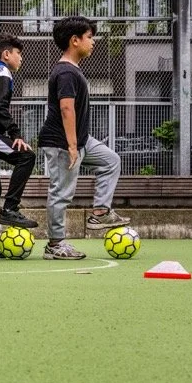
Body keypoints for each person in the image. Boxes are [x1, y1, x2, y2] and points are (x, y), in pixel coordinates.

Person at [39, 16, 131, 260]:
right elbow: (66, 108)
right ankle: (55, 244)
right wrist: (71, 145)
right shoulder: (65, 72)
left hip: (81, 140)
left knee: (110, 160)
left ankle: (100, 213)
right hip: (61, 141)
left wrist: (78, 142)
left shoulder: (74, 70)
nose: (93, 42)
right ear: (75, 40)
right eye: (89, 37)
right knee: (62, 192)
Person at [0, 33, 39, 235]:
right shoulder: (1, 70)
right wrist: (15, 134)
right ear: (6, 54)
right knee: (26, 156)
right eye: (18, 53)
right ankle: (10, 208)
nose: (21, 58)